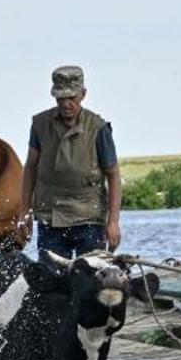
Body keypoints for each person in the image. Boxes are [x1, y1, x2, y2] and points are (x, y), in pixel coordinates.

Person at [21, 65, 122, 260]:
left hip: (89, 219)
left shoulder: (98, 128)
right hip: (51, 217)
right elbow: (30, 168)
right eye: (61, 98)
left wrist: (113, 222)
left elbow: (114, 175)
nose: (66, 104)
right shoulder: (40, 125)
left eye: (72, 98)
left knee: (91, 279)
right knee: (52, 280)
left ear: (83, 95)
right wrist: (24, 212)